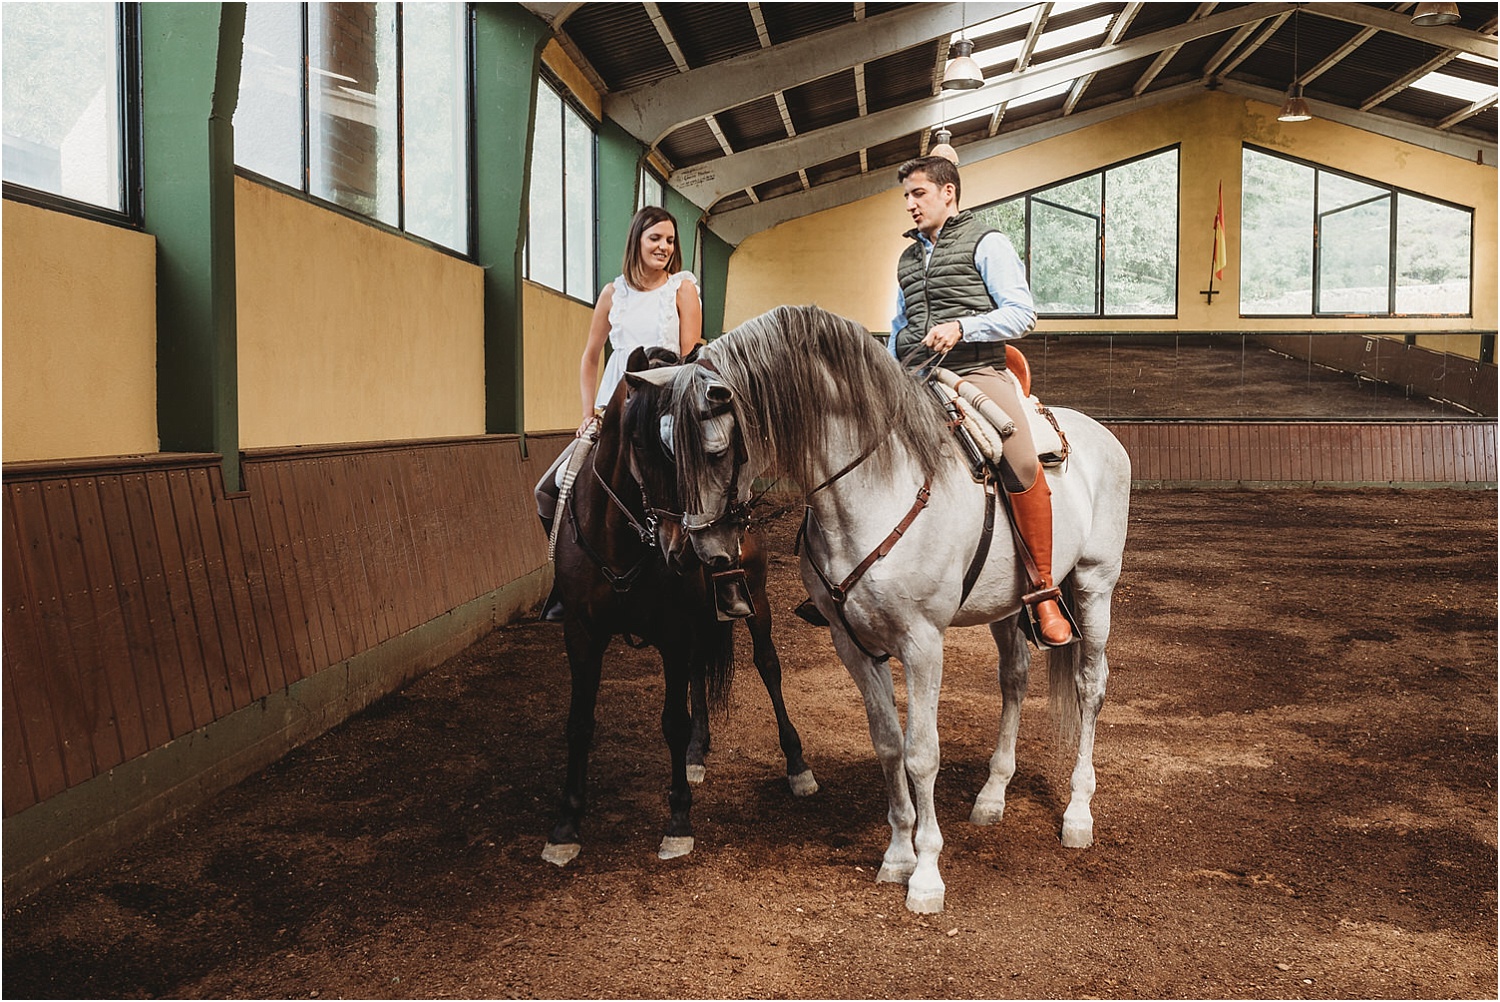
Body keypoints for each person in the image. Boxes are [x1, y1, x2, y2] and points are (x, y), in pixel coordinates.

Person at [888, 155, 1073, 646]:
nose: (910, 204)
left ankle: (1044, 591)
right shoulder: (907, 258)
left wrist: (963, 326)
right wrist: (883, 372)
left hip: (975, 370)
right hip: (912, 375)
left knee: (1018, 459)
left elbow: (1021, 313)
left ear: (948, 192)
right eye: (906, 195)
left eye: (918, 193)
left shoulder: (988, 242)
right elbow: (898, 325)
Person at [534, 205, 703, 620]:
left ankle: (717, 585)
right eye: (655, 238)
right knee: (548, 489)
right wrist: (587, 411)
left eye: (669, 240)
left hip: (663, 414)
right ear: (637, 241)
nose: (664, 247)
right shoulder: (614, 294)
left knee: (702, 488)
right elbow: (590, 357)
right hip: (613, 415)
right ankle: (566, 585)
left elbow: (689, 356)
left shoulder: (681, 289)